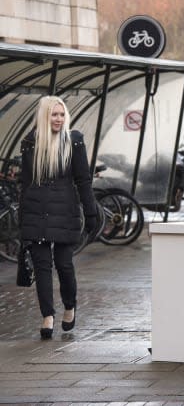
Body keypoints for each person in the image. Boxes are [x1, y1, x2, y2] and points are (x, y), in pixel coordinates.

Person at [19, 96, 97, 339]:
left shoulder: (74, 141)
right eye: (54, 114)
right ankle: (47, 317)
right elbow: (26, 183)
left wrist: (91, 211)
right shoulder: (30, 143)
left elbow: (83, 179)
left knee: (64, 264)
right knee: (42, 267)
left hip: (65, 211)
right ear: (44, 116)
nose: (59, 119)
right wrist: (23, 220)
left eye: (62, 114)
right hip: (36, 212)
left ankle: (70, 306)